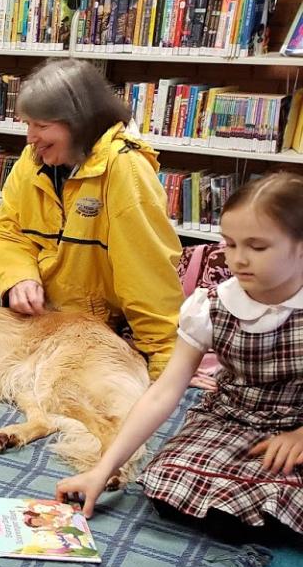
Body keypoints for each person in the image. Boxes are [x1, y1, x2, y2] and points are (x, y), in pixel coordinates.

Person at [0, 58, 182, 379]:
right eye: (28, 124)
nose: (30, 138)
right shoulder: (33, 159)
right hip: (38, 276)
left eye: (41, 126)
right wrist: (19, 277)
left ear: (79, 123)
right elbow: (9, 232)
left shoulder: (126, 169)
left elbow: (146, 268)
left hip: (81, 307)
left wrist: (164, 355)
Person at [56, 172, 303, 539]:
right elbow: (163, 391)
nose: (239, 259)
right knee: (168, 480)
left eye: (258, 247)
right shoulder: (211, 305)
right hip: (232, 418)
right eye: (230, 244)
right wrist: (103, 468)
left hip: (297, 422)